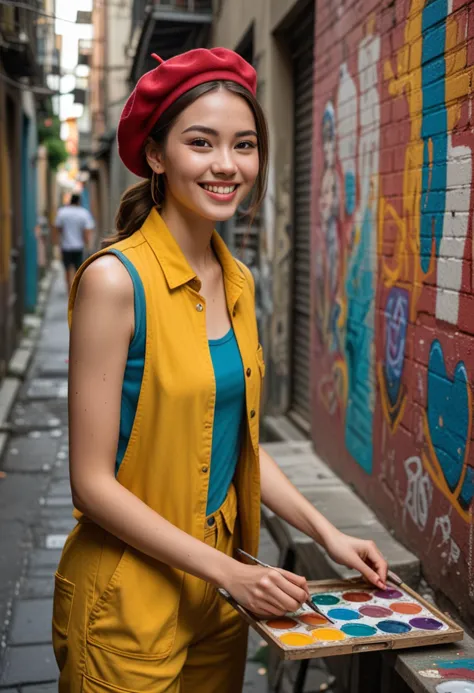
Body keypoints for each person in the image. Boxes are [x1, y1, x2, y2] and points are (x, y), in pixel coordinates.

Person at [52, 48, 387, 693]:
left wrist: (327, 532)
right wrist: (232, 574)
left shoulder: (235, 280)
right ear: (157, 155)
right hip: (129, 596)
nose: (226, 165)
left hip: (222, 593)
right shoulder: (115, 282)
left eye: (245, 145)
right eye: (201, 143)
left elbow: (240, 439)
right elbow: (90, 484)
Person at [54, 193, 94, 293]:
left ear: (70, 201)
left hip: (65, 246)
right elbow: (87, 232)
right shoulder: (83, 213)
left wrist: (57, 242)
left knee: (67, 270)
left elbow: (58, 229)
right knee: (78, 270)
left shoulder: (62, 212)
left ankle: (69, 291)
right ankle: (76, 292)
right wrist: (88, 245)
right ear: (79, 202)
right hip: (79, 247)